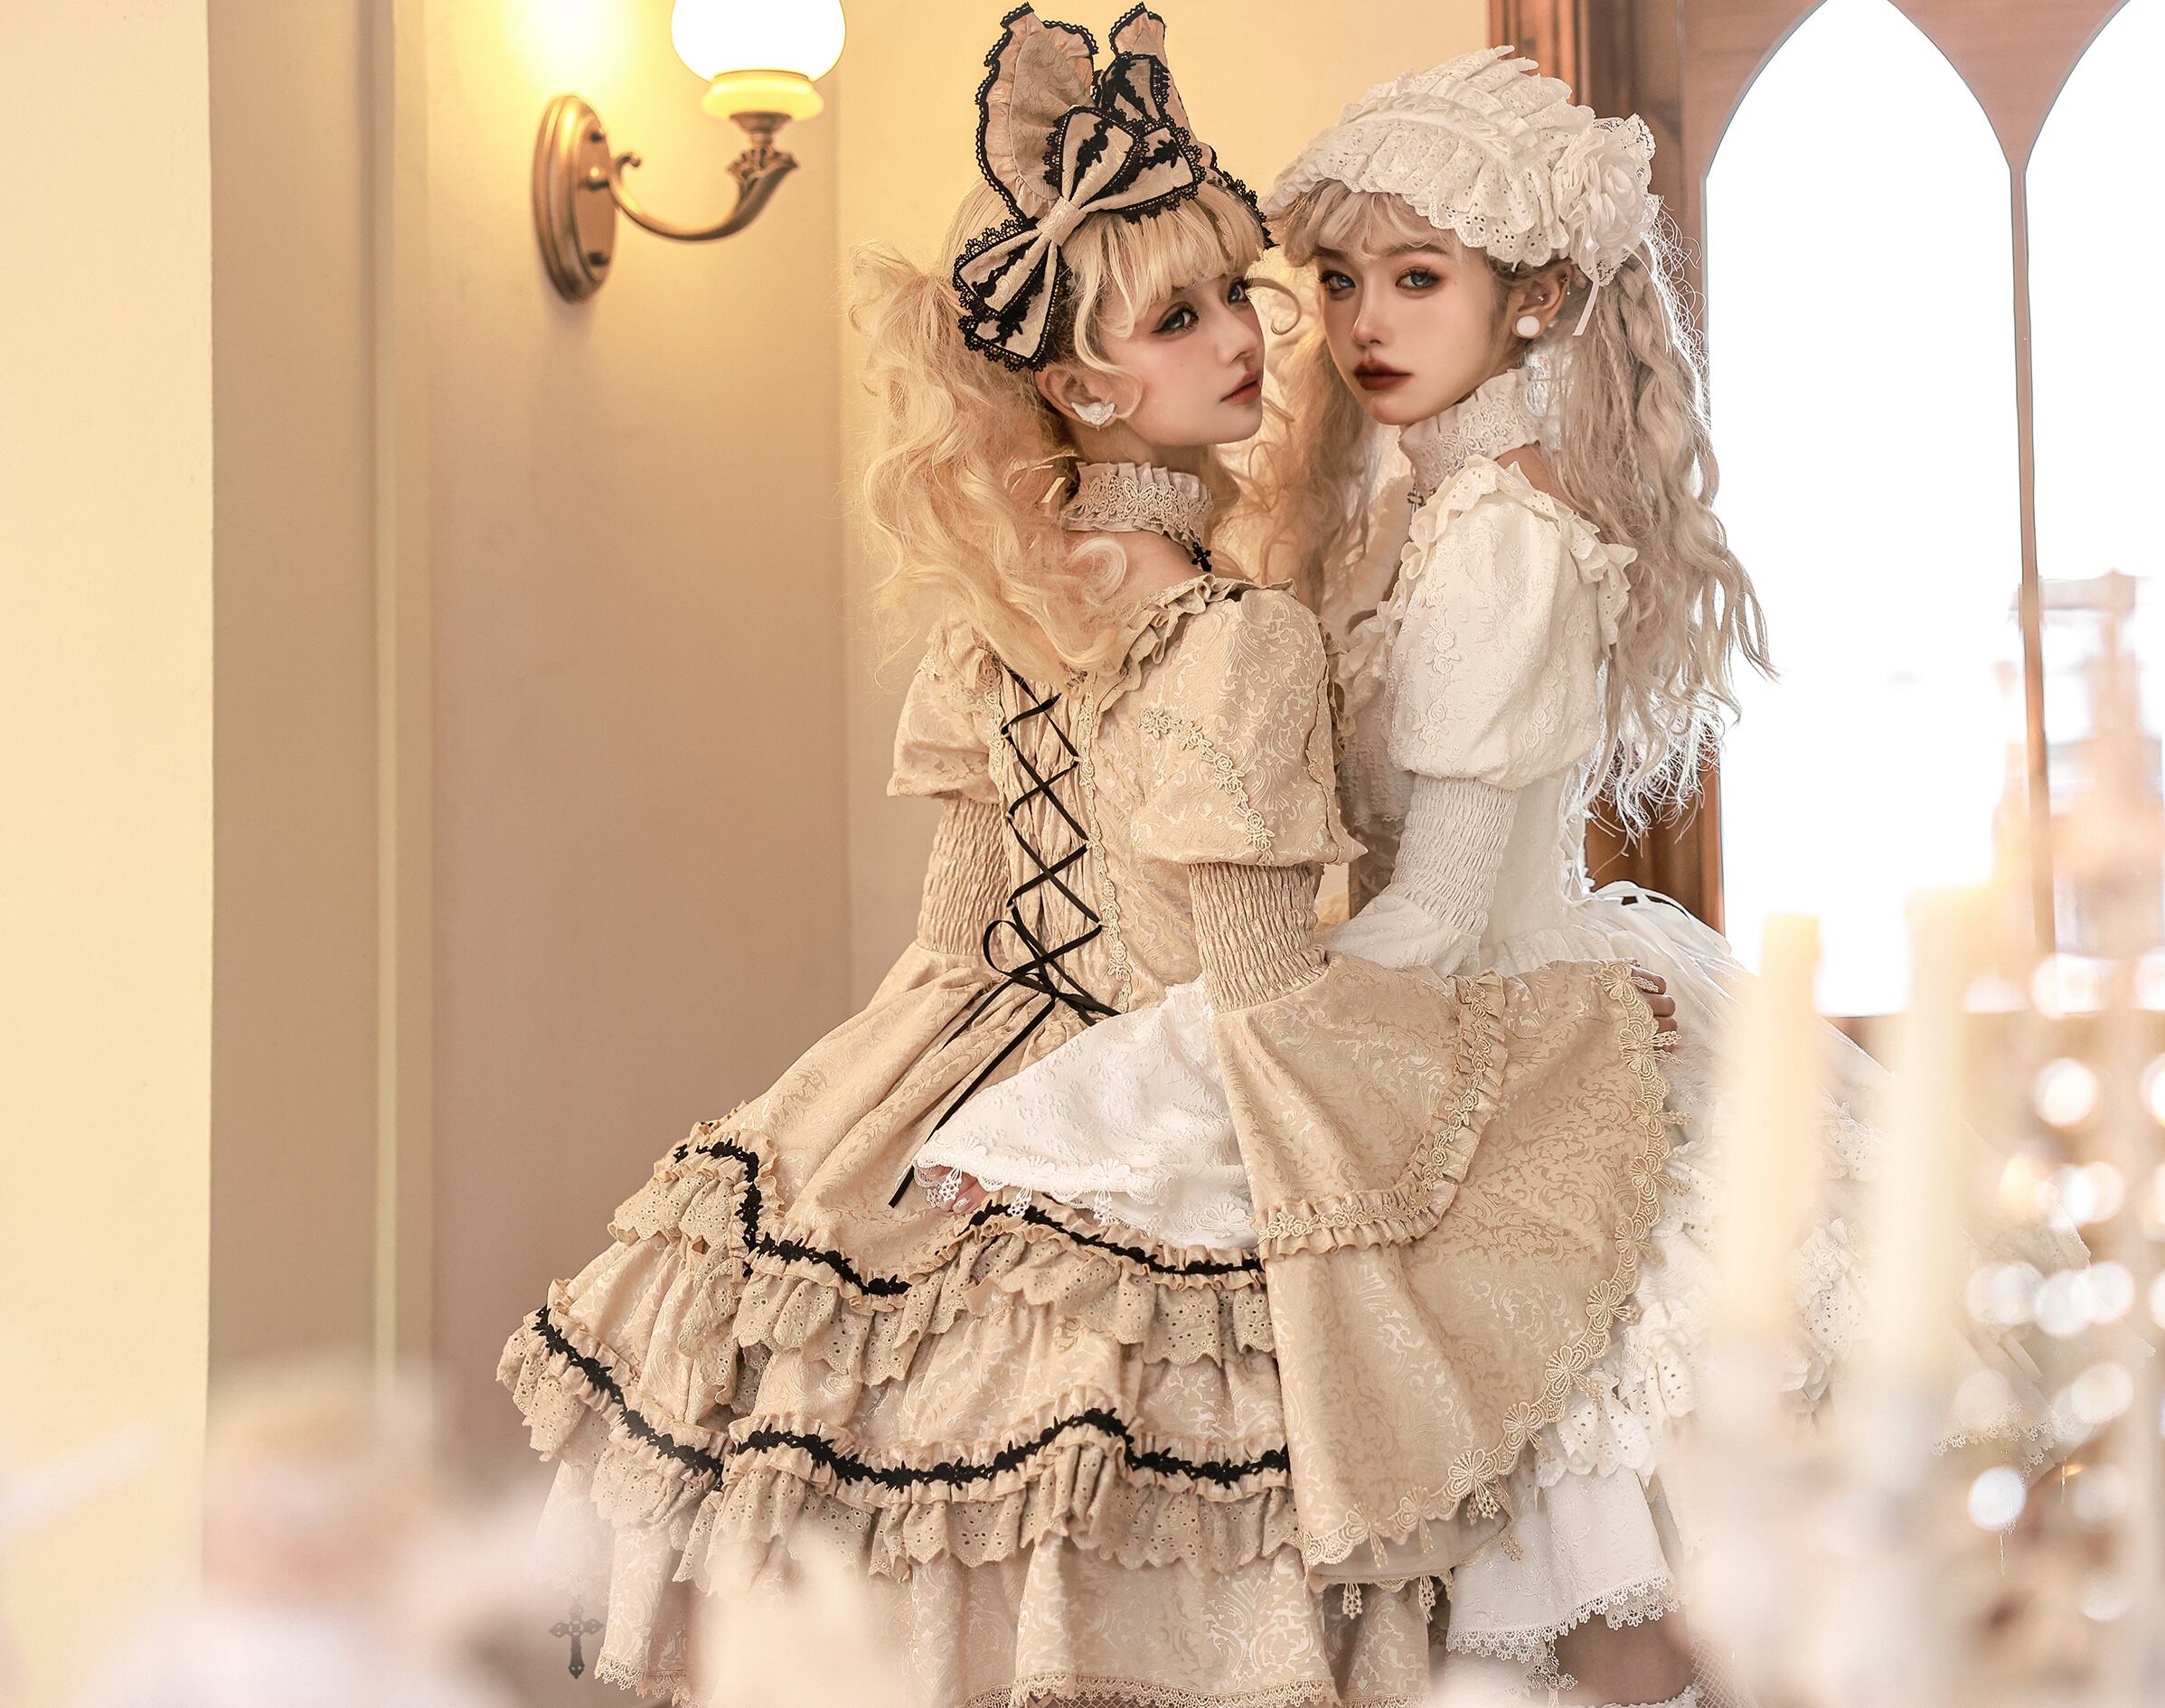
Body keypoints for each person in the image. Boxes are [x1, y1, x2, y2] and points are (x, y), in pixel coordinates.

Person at [501, 14, 1677, 1704]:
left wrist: (886, 1143)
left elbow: (948, 956)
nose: (1263, 337)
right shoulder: (1244, 630)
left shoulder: (998, 611)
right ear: (1079, 384)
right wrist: (1544, 1039)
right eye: (1185, 315)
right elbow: (1258, 997)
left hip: (977, 1091)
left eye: (1237, 294)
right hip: (1173, 1111)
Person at [928, 45, 2081, 1707]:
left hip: (1507, 1050)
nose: (1361, 322)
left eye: (1418, 279)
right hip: (1412, 1043)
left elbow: (1433, 918)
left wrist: (1102, 1100)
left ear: (1531, 300)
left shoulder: (1505, 542)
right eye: (1337, 280)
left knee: (1605, 1587)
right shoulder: (1389, 514)